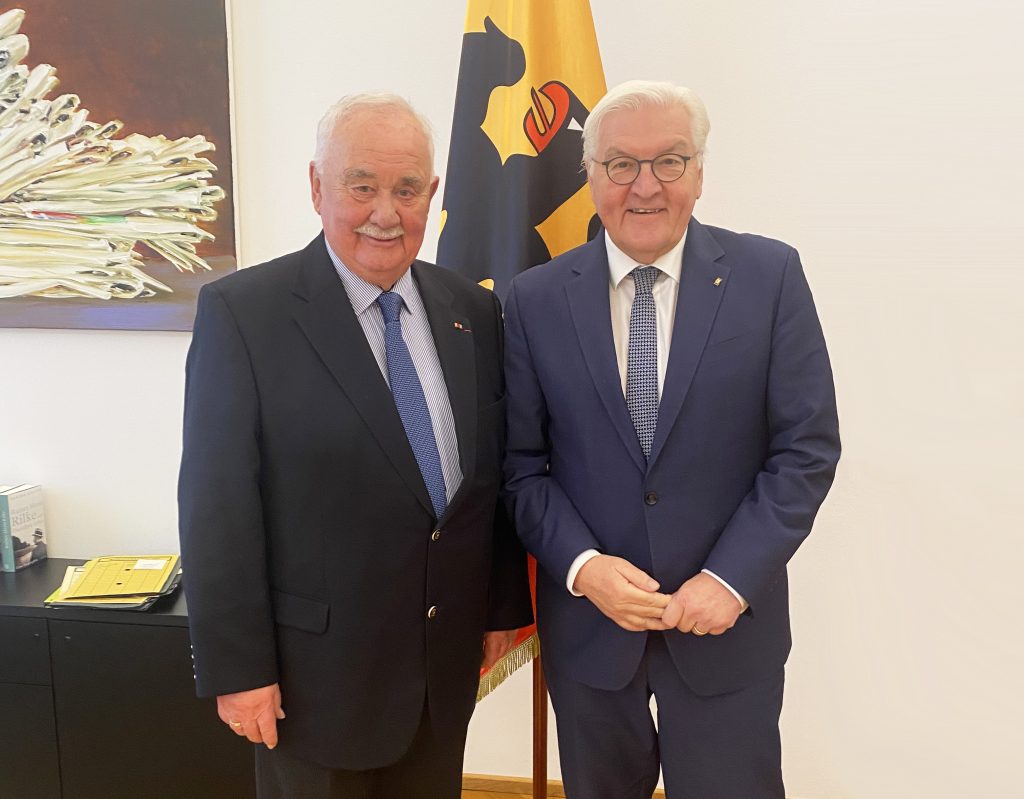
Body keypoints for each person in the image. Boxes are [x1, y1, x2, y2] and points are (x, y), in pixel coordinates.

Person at [178, 93, 532, 799]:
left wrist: (500, 608)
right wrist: (239, 669)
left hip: (440, 673)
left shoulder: (473, 310)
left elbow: (486, 479)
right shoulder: (245, 313)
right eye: (361, 186)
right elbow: (217, 508)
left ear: (432, 193)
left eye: (407, 189)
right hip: (313, 685)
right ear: (318, 187)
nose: (385, 212)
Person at [503, 80, 841, 798]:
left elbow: (805, 449)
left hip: (727, 633)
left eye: (669, 161)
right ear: (591, 175)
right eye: (621, 164)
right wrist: (584, 567)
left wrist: (729, 579)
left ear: (699, 171)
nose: (646, 185)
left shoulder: (769, 277)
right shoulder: (534, 299)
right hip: (591, 637)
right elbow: (522, 469)